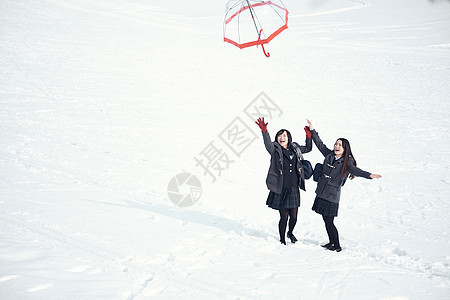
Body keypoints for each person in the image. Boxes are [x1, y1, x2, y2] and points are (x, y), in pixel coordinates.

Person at [305, 119, 382, 252]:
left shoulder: (347, 162)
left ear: (345, 148)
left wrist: (369, 175)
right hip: (322, 192)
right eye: (336, 144)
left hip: (331, 195)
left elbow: (357, 171)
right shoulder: (329, 155)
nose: (336, 146)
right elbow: (319, 144)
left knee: (329, 221)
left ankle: (337, 246)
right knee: (326, 220)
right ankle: (331, 243)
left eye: (339, 145)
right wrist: (312, 130)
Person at [255, 117, 312, 245]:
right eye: (280, 135)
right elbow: (268, 144)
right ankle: (282, 239)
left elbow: (308, 148)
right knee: (284, 217)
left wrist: (309, 136)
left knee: (294, 217)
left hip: (293, 188)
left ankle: (290, 233)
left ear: (288, 138)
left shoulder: (295, 148)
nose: (282, 137)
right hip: (281, 188)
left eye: (284, 135)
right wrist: (265, 132)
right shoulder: (275, 150)